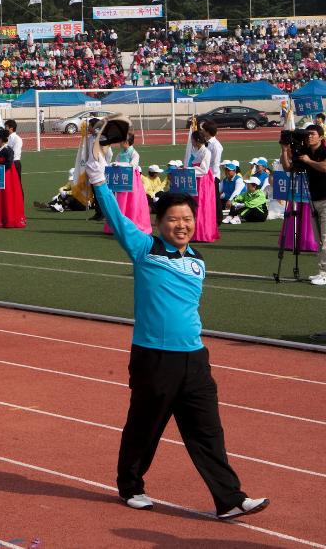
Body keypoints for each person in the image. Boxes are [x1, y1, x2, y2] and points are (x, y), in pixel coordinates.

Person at [83, 134, 269, 520]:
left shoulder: (198, 258)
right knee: (145, 426)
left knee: (208, 432)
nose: (182, 225)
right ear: (159, 222)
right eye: (174, 219)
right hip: (154, 357)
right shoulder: (144, 248)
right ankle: (130, 486)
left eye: (187, 219)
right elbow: (117, 219)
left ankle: (230, 499)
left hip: (195, 358)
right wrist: (98, 176)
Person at [282, 124, 326, 285]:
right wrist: (285, 150)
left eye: (312, 134)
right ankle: (322, 271)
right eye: (307, 134)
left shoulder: (323, 151)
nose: (309, 137)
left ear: (321, 136)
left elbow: (324, 166)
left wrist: (309, 161)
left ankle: (325, 273)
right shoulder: (306, 152)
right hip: (313, 200)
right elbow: (288, 167)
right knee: (319, 239)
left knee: (325, 238)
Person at [187, 130, 219, 243]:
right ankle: (194, 232)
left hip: (203, 181)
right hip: (194, 179)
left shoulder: (206, 152)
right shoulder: (194, 150)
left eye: (193, 139)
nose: (191, 141)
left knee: (202, 205)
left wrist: (190, 169)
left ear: (197, 140)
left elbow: (204, 170)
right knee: (193, 205)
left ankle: (203, 233)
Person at [4, 119, 25, 195]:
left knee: (17, 184)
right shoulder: (7, 138)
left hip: (14, 163)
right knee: (9, 185)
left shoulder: (17, 139)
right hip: (8, 163)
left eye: (6, 127)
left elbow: (14, 153)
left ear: (11, 128)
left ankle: (20, 203)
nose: (5, 129)